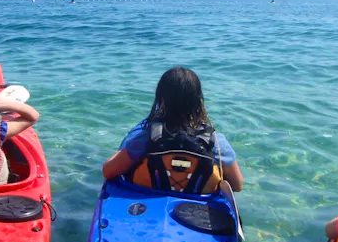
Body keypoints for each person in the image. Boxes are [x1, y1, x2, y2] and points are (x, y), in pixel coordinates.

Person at [102, 67, 245, 193]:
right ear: (198, 100)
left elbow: (108, 172)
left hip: (148, 201)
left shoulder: (145, 137)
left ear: (161, 99)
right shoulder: (216, 142)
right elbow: (237, 185)